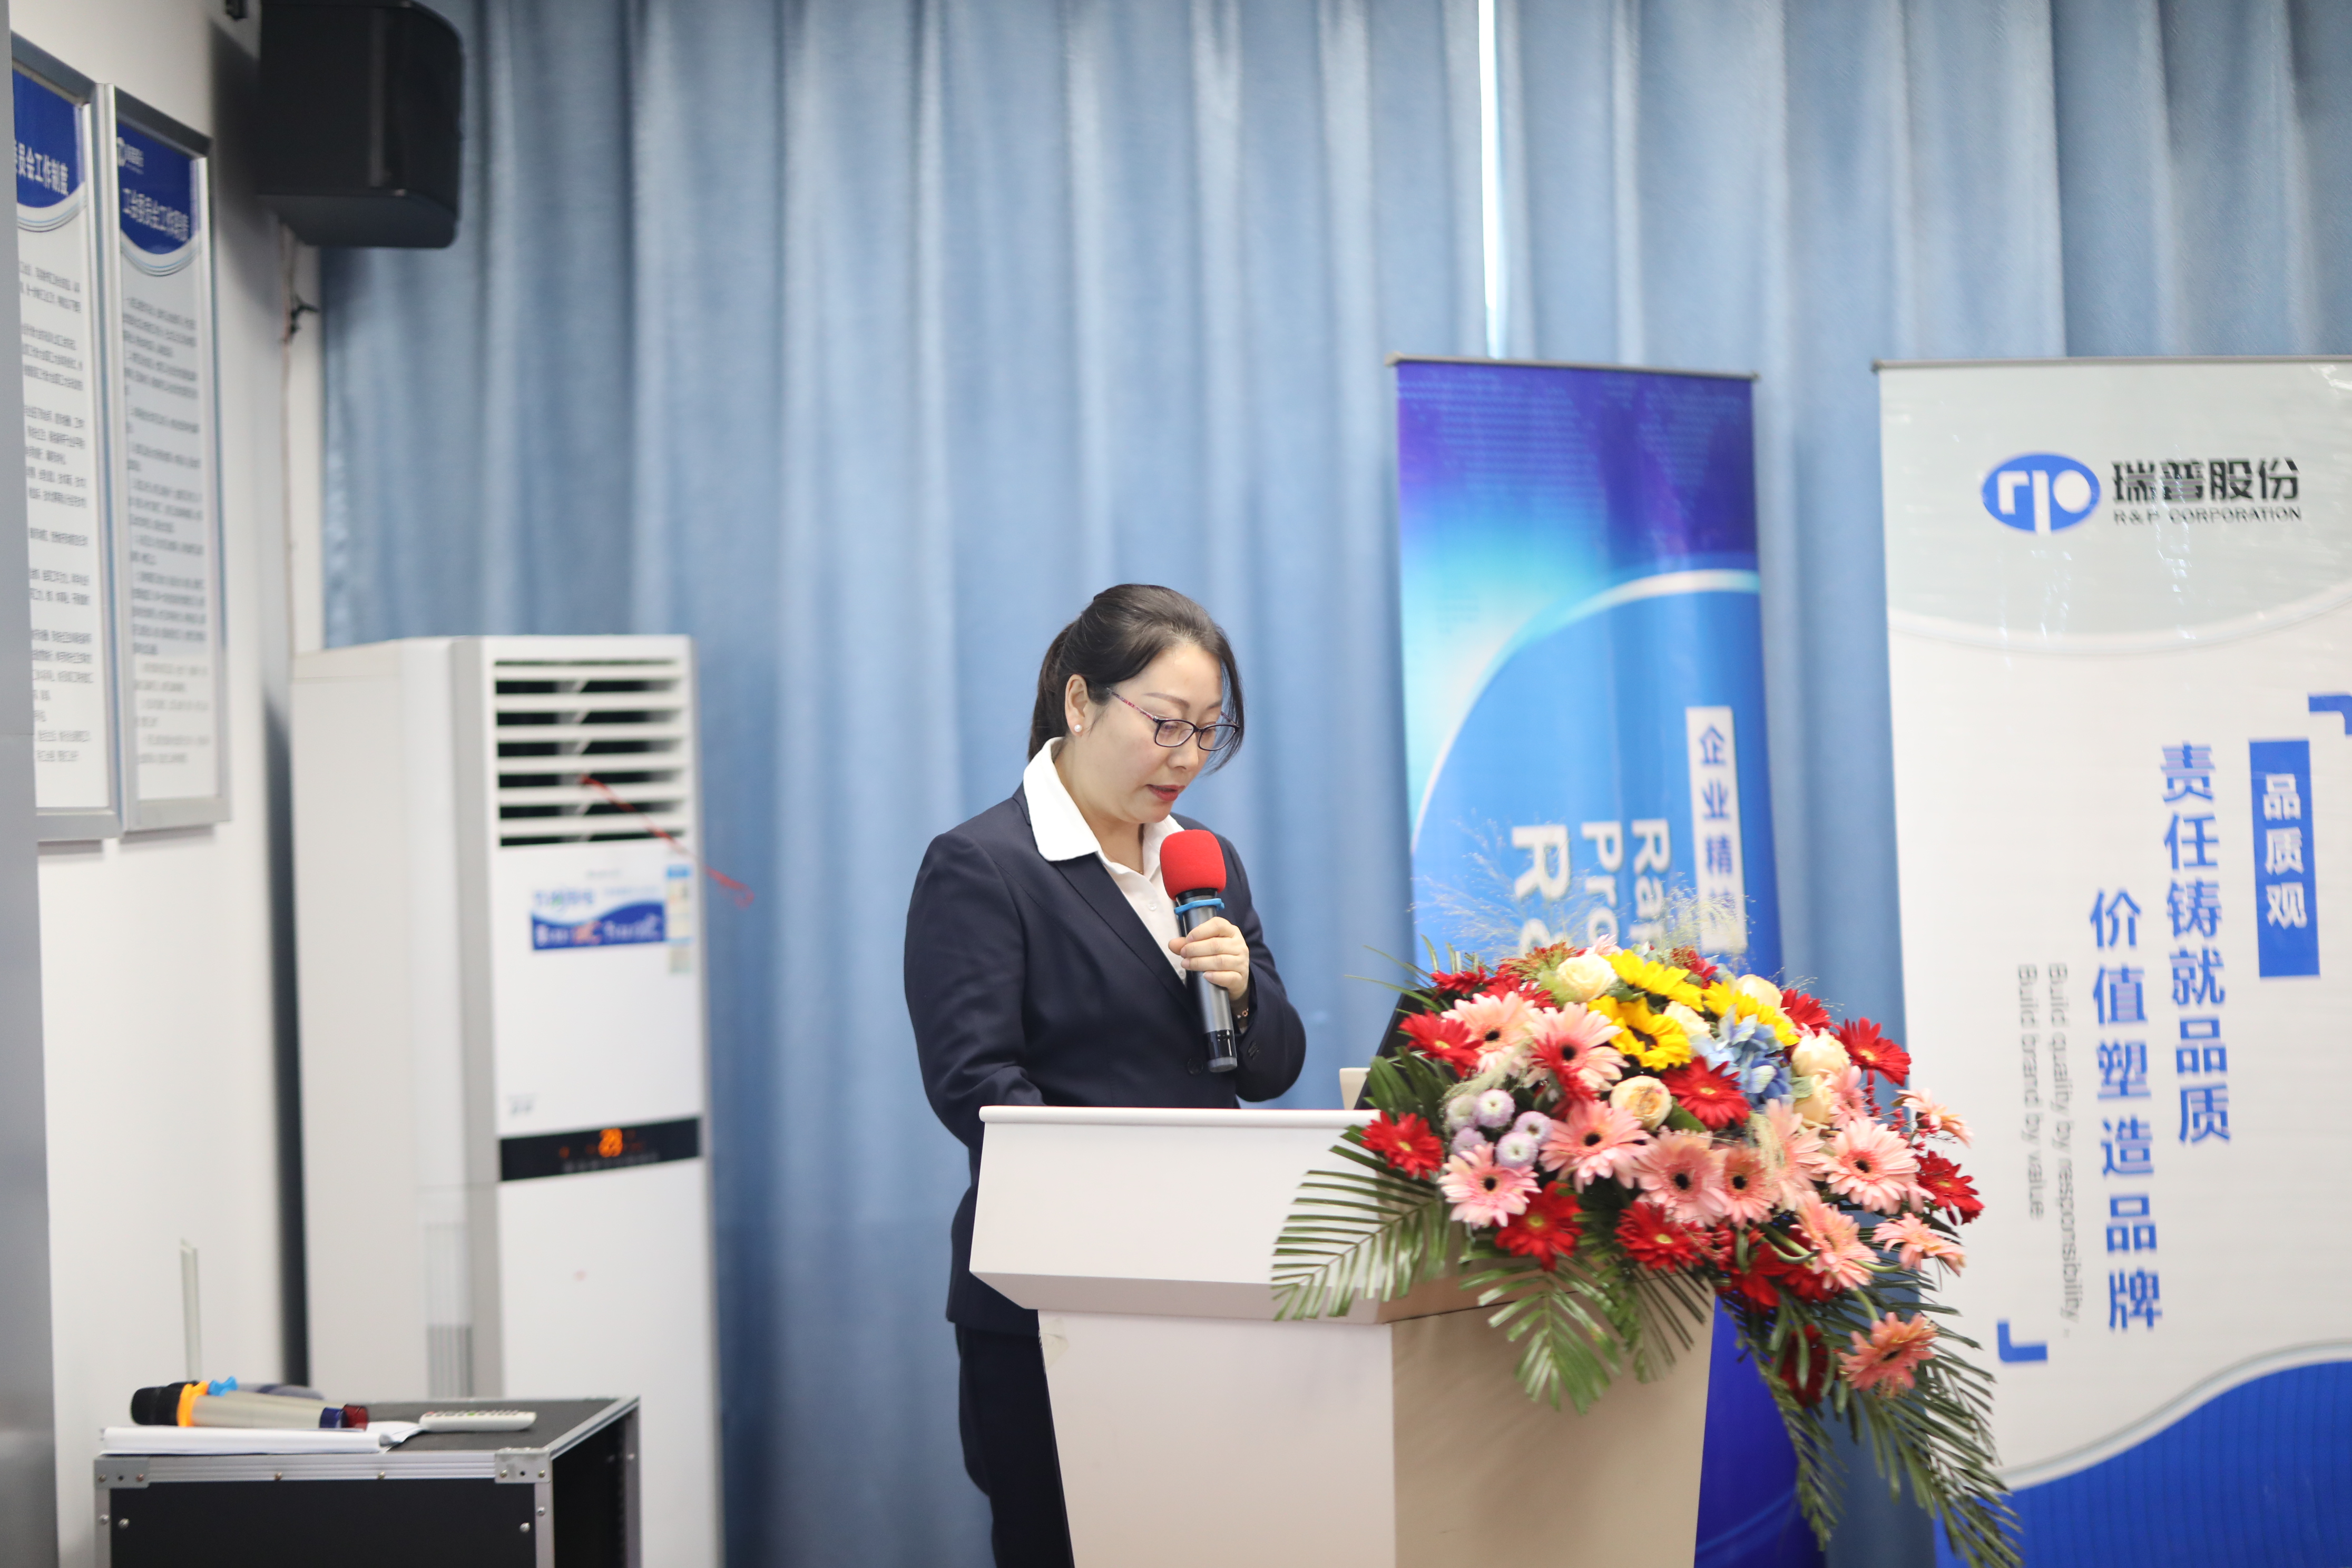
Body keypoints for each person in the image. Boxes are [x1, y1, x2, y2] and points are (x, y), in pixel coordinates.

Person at [906, 584, 1307, 1567]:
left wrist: (1244, 992)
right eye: (1166, 723)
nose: (1187, 755)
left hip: (1208, 1284)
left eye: (1209, 731)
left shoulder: (1204, 861)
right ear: (1081, 701)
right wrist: (1130, 1201)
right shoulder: (983, 865)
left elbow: (1274, 1070)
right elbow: (976, 1087)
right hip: (1055, 1301)